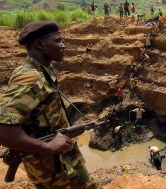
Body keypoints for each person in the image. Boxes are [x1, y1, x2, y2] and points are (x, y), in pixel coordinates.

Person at [0, 21, 100, 188]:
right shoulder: (31, 77)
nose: (64, 45)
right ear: (40, 44)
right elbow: (3, 129)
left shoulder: (41, 70)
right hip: (55, 172)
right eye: (58, 41)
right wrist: (47, 147)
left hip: (60, 164)